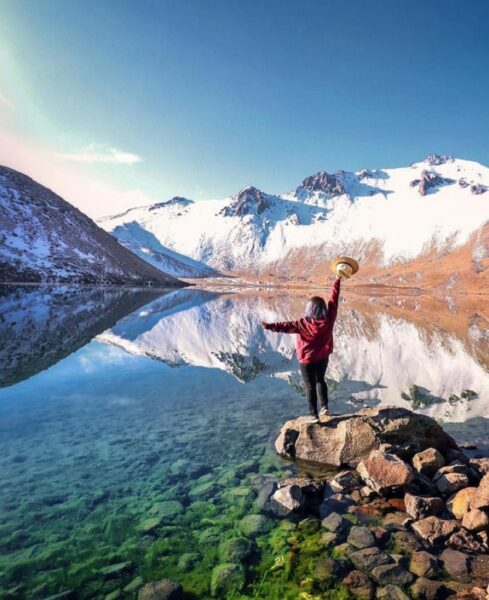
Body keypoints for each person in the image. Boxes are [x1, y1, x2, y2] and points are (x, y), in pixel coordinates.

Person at [261, 276, 342, 423]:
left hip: (307, 360)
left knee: (309, 386)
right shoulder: (329, 319)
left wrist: (269, 326)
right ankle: (325, 408)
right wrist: (337, 280)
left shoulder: (302, 323)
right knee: (320, 381)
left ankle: (314, 415)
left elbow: (284, 326)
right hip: (323, 357)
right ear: (323, 309)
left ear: (309, 309)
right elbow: (334, 299)